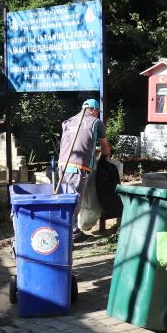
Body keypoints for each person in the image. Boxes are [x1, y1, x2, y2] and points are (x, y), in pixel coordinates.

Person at [58, 98, 111, 243]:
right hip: (78, 168)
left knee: (64, 198)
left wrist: (92, 151)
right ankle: (72, 234)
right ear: (94, 110)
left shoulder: (67, 122)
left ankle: (65, 229)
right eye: (97, 111)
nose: (97, 114)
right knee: (74, 201)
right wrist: (106, 156)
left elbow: (76, 143)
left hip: (62, 165)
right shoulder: (96, 123)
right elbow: (105, 147)